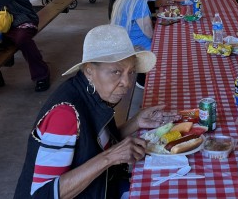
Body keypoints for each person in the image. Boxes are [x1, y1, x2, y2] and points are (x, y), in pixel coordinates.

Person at [14, 24, 174, 199]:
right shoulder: (65, 115)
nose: (126, 83)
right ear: (89, 71)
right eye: (116, 72)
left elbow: (95, 145)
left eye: (131, 72)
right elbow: (43, 194)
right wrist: (110, 158)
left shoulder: (93, 94)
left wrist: (136, 122)